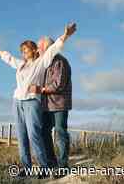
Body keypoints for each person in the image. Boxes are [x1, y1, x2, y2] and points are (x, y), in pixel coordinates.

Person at [0, 23, 76, 177]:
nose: (23, 53)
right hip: (17, 101)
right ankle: (26, 167)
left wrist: (66, 35)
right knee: (22, 136)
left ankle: (45, 166)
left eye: (26, 50)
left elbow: (54, 48)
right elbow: (7, 58)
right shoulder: (21, 65)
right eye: (22, 51)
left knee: (34, 135)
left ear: (35, 50)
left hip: (32, 102)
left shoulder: (41, 63)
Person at [28, 36, 72, 171]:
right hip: (46, 105)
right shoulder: (43, 63)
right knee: (44, 132)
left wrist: (40, 89)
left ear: (48, 48)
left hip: (59, 105)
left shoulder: (60, 61)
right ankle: (52, 162)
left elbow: (59, 84)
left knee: (60, 132)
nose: (38, 50)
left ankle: (63, 164)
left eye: (40, 48)